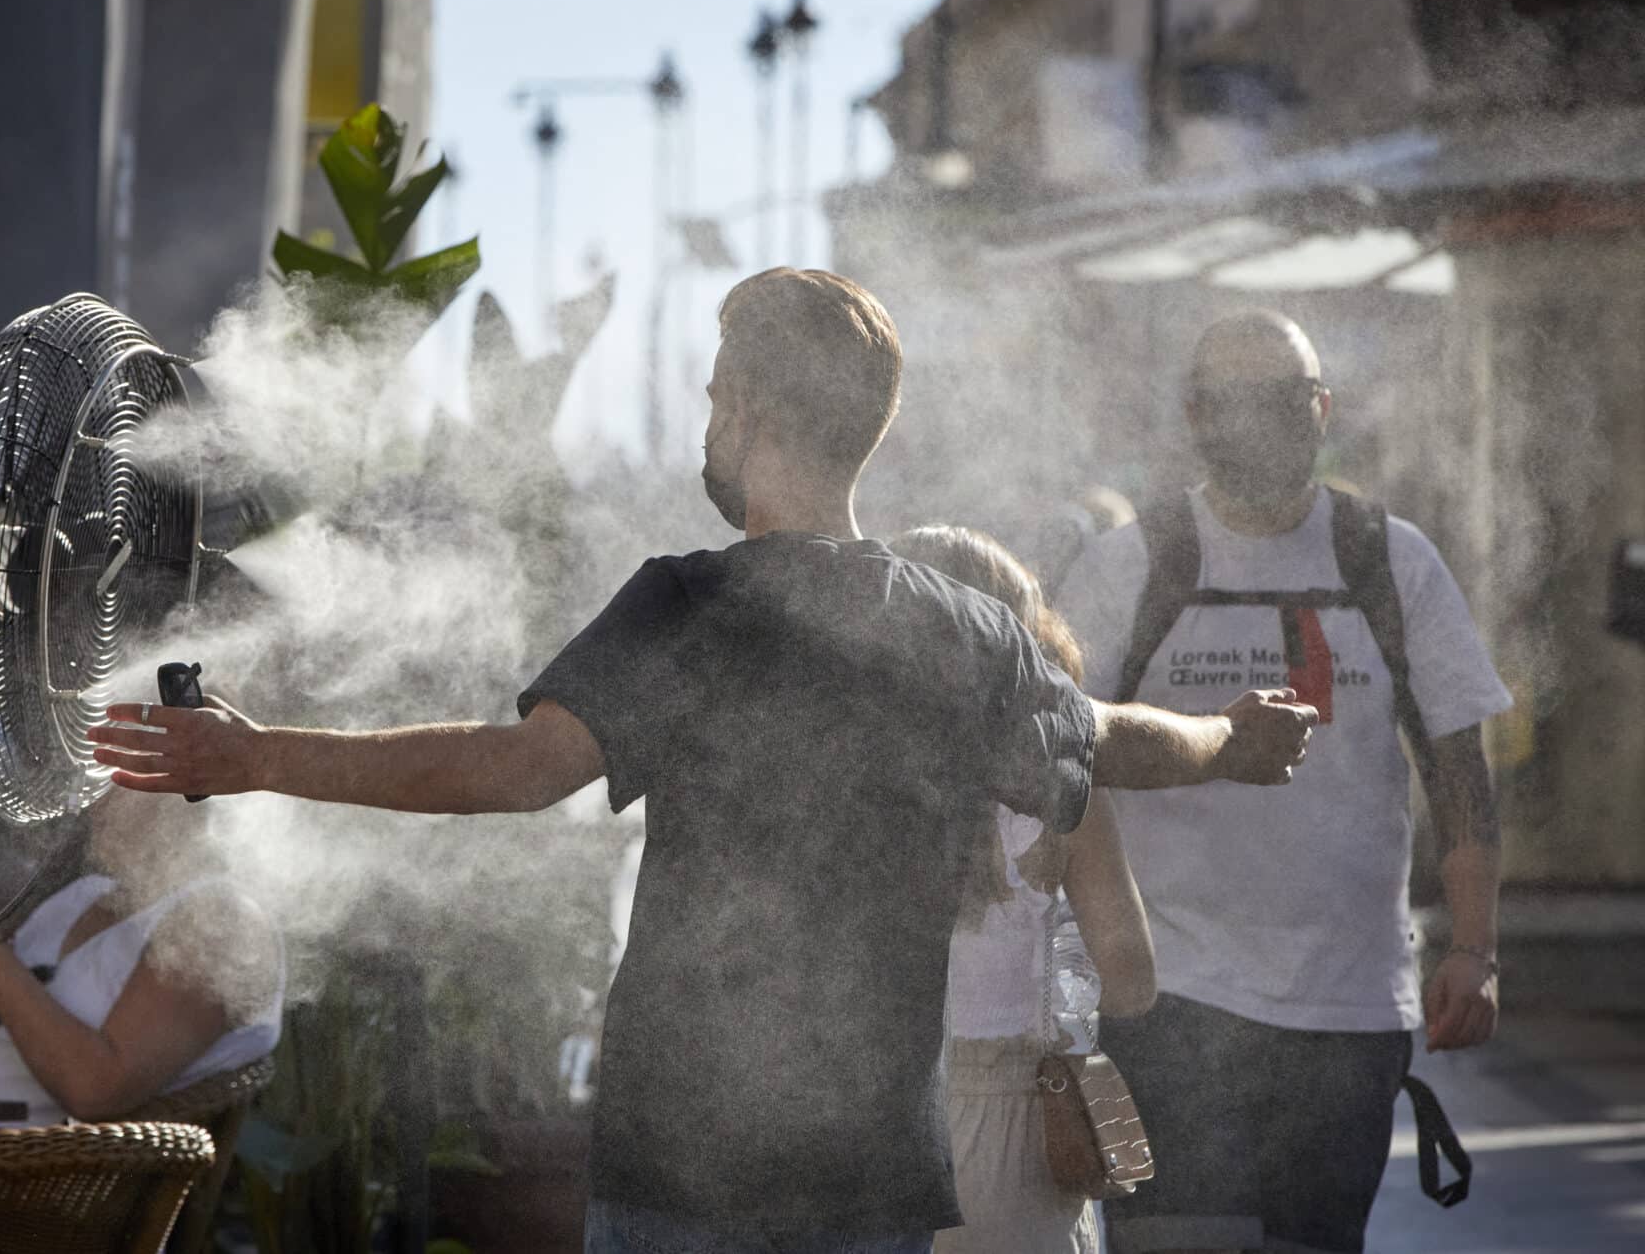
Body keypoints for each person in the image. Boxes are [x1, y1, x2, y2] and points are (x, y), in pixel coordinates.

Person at [89, 269, 1316, 1253]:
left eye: (716, 392)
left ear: (750, 412)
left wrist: (256, 758)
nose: (707, 420)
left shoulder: (685, 606)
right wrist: (1235, 744)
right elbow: (1112, 740)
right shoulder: (963, 632)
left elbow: (511, 771)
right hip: (869, 1180)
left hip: (678, 1169)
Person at [1055, 310, 1513, 1254]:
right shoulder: (1133, 565)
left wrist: (1476, 947)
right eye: (1237, 401)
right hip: (1171, 997)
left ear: (1321, 407)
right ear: (1194, 414)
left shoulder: (1390, 561)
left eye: (1286, 399)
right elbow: (1057, 752)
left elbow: (1457, 768)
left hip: (1345, 1012)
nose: (1263, 421)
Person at [894, 526, 1154, 1254]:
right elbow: (1132, 980)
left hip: (881, 1131)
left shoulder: (852, 778)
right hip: (1020, 1137)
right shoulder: (1066, 782)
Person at [0, 788, 283, 1126]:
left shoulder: (223, 921)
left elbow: (94, 1091)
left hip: (0, 1187)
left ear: (191, 787)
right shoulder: (86, 895)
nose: (88, 802)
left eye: (116, 779)